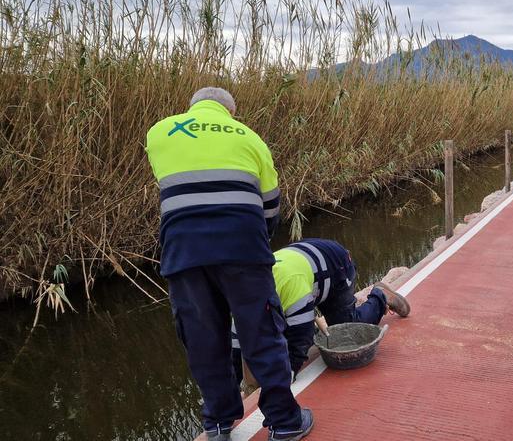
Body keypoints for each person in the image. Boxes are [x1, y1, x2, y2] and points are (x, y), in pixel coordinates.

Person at [145, 87, 312, 441]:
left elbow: (169, 184)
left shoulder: (160, 131)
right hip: (243, 249)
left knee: (204, 339)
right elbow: (270, 208)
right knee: (262, 334)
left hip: (184, 253)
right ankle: (285, 423)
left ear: (191, 107)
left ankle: (218, 424)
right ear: (230, 113)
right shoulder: (251, 138)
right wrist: (255, 240)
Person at [232, 238, 411, 382]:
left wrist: (290, 371)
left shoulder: (289, 285)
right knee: (284, 325)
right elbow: (235, 349)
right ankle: (303, 314)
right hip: (304, 262)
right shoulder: (239, 296)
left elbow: (302, 335)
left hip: (336, 265)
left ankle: (381, 296)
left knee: (348, 331)